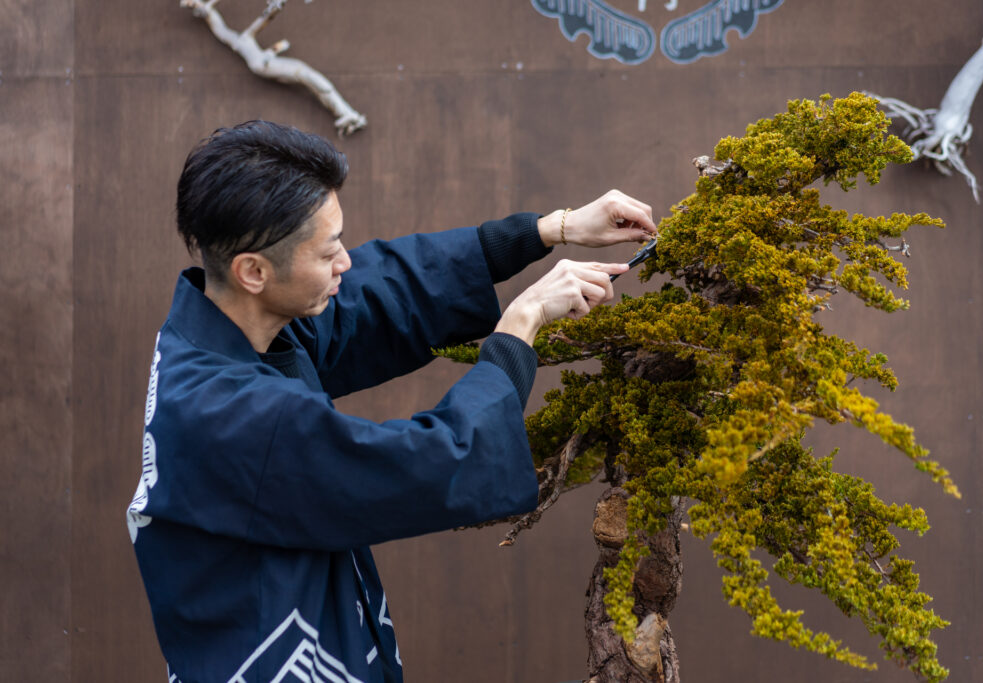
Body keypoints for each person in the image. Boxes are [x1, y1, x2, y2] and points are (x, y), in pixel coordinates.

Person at [126, 120, 657, 683]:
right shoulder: (231, 417)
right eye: (328, 252)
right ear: (253, 271)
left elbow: (378, 294)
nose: (345, 263)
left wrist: (552, 229)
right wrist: (521, 323)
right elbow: (432, 462)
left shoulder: (221, 331)